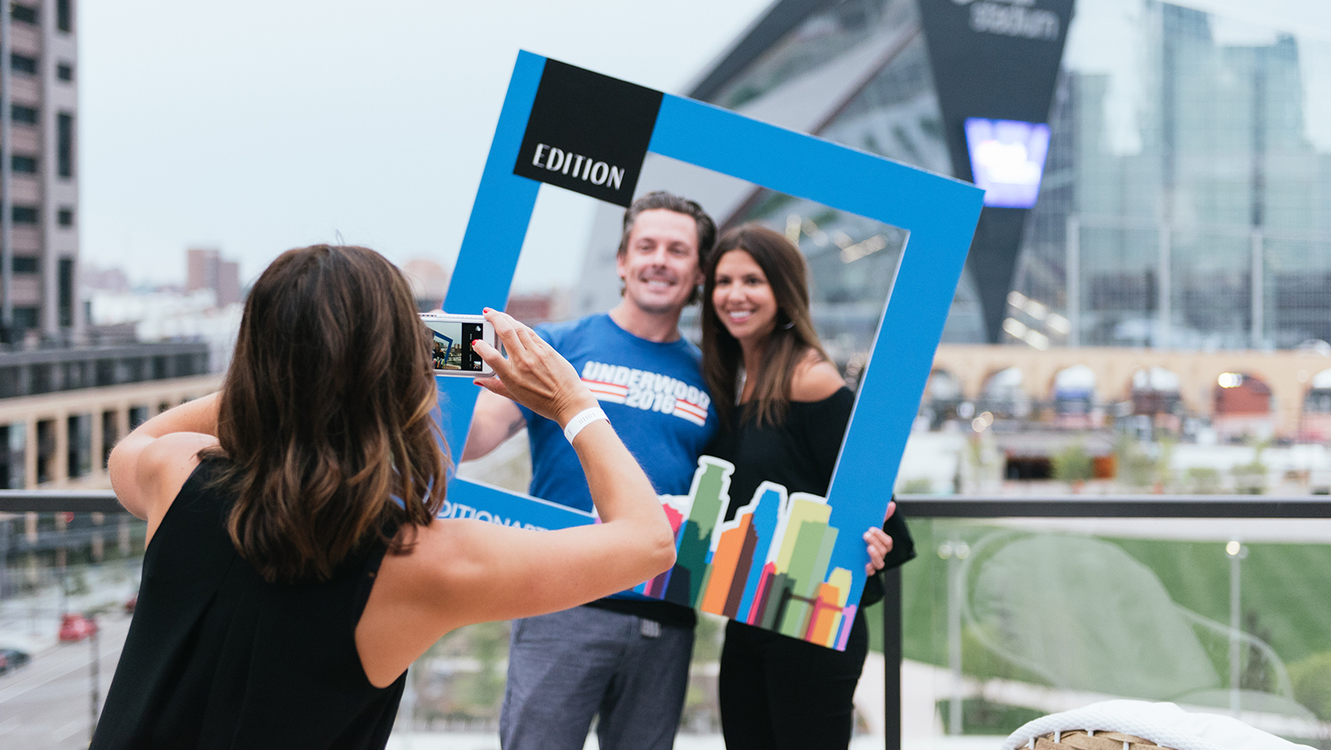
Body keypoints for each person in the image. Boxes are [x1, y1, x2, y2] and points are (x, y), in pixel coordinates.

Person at [91, 245, 677, 750]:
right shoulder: (422, 562)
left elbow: (134, 445)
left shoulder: (177, 473)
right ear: (396, 377)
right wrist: (573, 404)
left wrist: (294, 366)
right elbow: (649, 543)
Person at [462, 190, 717, 750]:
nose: (659, 260)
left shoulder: (713, 378)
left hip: (663, 618)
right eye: (646, 246)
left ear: (699, 272)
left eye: (677, 250)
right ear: (622, 261)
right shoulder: (558, 346)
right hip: (559, 600)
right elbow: (477, 436)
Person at [700, 224, 914, 750]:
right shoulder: (738, 380)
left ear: (784, 291)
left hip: (813, 620)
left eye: (752, 280)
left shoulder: (810, 379)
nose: (734, 294)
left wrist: (874, 541)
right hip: (751, 613)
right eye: (724, 281)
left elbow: (877, 503)